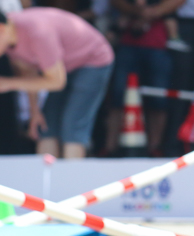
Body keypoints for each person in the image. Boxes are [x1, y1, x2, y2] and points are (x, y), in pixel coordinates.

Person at [107, 0, 188, 156]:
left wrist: (149, 13)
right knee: (117, 94)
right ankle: (110, 146)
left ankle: (154, 147)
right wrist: (137, 11)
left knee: (159, 96)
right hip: (129, 41)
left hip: (160, 42)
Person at [0, 8, 114, 158]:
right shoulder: (10, 36)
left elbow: (57, 81)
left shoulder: (37, 32)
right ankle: (45, 179)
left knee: (72, 126)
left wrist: (8, 84)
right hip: (61, 68)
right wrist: (35, 111)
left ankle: (72, 179)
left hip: (92, 60)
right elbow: (28, 73)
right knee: (45, 127)